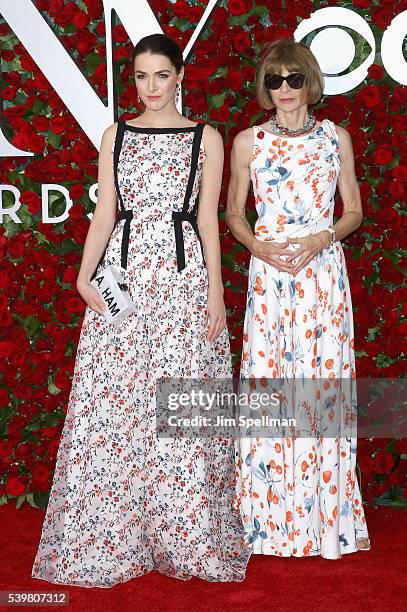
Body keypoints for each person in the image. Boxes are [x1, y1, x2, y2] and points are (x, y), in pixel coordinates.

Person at [32, 33, 250, 586]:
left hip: (181, 283)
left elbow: (206, 222)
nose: (150, 88)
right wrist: (84, 277)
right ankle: (115, 535)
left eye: (161, 75)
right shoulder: (116, 135)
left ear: (180, 76)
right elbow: (105, 212)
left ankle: (184, 533)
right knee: (115, 406)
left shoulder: (206, 138)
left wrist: (217, 293)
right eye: (140, 77)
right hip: (123, 282)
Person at [226, 39, 371, 559]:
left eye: (293, 79)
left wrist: (320, 239)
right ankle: (268, 521)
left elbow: (352, 209)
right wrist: (259, 246)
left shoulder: (337, 139)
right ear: (265, 89)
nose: (284, 89)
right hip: (268, 277)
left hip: (323, 274)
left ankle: (324, 522)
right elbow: (234, 214)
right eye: (274, 81)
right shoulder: (247, 142)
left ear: (309, 81)